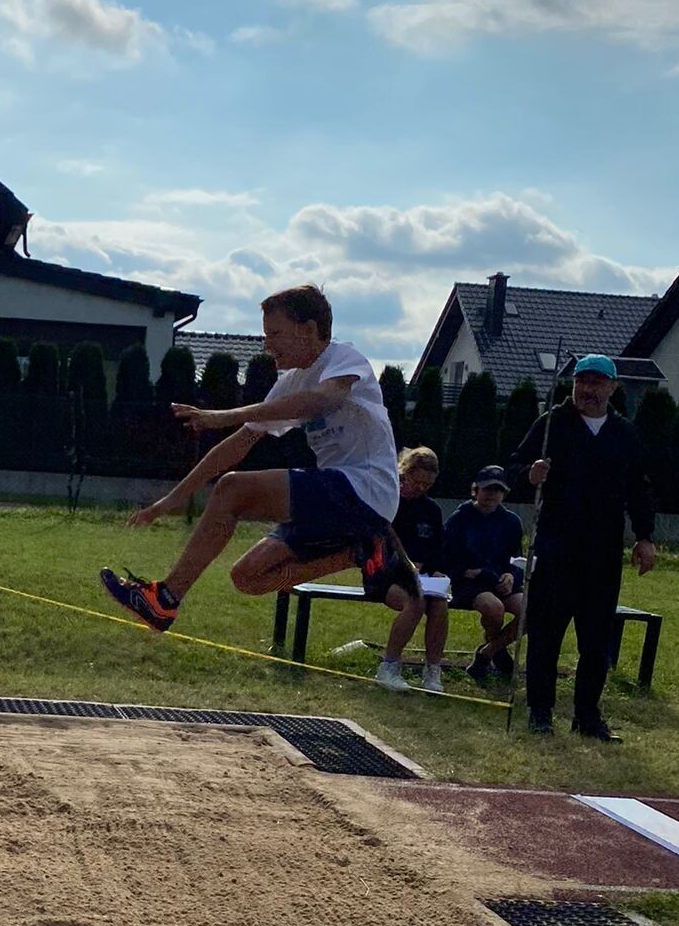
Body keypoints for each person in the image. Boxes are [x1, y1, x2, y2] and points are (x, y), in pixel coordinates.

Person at [100, 284, 412, 629]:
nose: (266, 344)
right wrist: (170, 500)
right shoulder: (290, 383)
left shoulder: (343, 358)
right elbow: (237, 445)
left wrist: (225, 415)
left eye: (275, 333)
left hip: (367, 490)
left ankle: (165, 600)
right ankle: (361, 551)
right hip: (343, 505)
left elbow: (320, 401)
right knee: (248, 577)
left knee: (233, 489)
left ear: (309, 329)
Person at [510, 352, 657, 741]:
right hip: (556, 546)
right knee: (546, 634)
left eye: (596, 382)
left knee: (596, 640)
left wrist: (645, 536)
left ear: (612, 387)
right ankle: (540, 711)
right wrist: (530, 474)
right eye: (581, 381)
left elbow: (638, 489)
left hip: (602, 551)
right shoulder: (551, 424)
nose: (587, 390)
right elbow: (512, 468)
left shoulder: (624, 434)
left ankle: (588, 716)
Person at [372, 446, 449, 695]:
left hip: (422, 578)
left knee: (440, 603)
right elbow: (374, 544)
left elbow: (437, 549)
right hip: (384, 574)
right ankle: (389, 666)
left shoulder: (432, 510)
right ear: (404, 473)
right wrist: (404, 564)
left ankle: (433, 669)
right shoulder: (387, 502)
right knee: (415, 602)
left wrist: (435, 570)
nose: (420, 488)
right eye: (417, 482)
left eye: (428, 484)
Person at [441, 466, 525, 684]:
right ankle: (498, 652)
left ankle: (489, 651)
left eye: (498, 490)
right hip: (471, 583)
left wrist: (511, 576)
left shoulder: (512, 522)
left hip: (500, 580)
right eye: (487, 489)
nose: (491, 494)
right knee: (493, 608)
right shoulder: (460, 518)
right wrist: (465, 571)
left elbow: (517, 559)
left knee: (532, 610)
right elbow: (445, 557)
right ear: (476, 490)